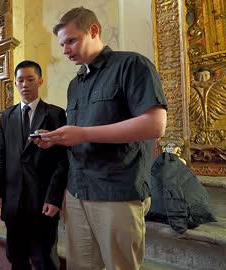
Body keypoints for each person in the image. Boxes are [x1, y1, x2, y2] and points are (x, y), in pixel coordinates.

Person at [34, 7, 168, 269]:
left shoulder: (131, 65)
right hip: (77, 190)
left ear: (93, 31)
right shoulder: (76, 83)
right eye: (62, 44)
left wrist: (82, 133)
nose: (65, 50)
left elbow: (155, 125)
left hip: (115, 190)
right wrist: (56, 139)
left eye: (71, 41)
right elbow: (79, 136)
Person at [0, 60, 68, 270]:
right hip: (13, 199)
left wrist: (54, 198)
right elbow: (0, 155)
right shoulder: (7, 115)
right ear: (15, 84)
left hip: (42, 199)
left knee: (44, 258)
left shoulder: (55, 114)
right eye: (20, 80)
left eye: (30, 79)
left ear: (40, 81)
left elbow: (62, 160)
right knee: (16, 257)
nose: (25, 84)